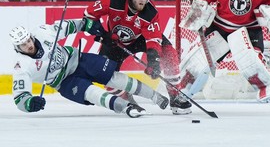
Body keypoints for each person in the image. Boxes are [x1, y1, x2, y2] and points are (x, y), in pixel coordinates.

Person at [9, 20, 169, 117]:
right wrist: (30, 104)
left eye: (28, 40)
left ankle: (155, 96)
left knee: (115, 78)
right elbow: (20, 98)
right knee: (91, 93)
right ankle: (127, 107)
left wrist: (88, 25)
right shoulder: (21, 66)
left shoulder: (43, 32)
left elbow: (70, 26)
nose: (29, 45)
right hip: (64, 82)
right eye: (23, 44)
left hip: (78, 59)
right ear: (17, 47)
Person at [82, 0, 192, 115]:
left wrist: (154, 60)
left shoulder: (150, 12)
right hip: (114, 42)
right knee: (104, 74)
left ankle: (175, 96)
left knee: (168, 52)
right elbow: (88, 15)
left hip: (139, 39)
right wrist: (103, 34)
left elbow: (153, 39)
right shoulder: (114, 0)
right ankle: (126, 101)